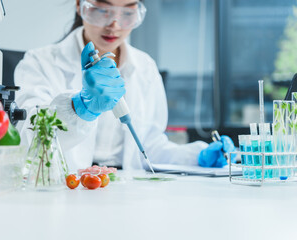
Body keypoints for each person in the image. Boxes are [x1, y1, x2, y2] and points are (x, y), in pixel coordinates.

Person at [15, 0, 235, 172]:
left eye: (128, 13)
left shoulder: (145, 67)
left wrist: (196, 156)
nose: (115, 25)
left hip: (126, 189)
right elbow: (29, 140)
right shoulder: (39, 63)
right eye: (103, 10)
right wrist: (79, 108)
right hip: (65, 186)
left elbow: (148, 146)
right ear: (80, 6)